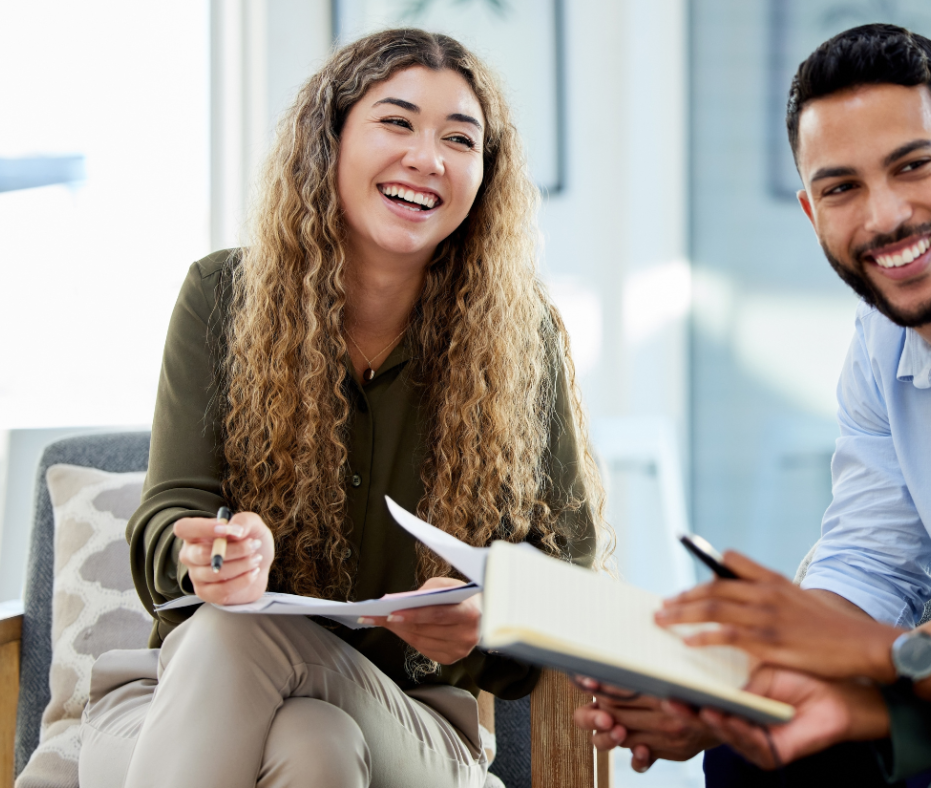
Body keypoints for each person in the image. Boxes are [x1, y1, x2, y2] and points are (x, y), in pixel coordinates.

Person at [80, 29, 606, 788]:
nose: (426, 158)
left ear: (485, 175)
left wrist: (481, 629)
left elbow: (572, 586)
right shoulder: (221, 299)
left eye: (459, 138)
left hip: (412, 722)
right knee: (312, 743)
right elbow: (172, 518)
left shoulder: (522, 340)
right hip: (179, 699)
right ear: (329, 141)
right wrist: (212, 556)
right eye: (396, 122)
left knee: (244, 648)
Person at [574, 23, 931, 786]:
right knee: (757, 746)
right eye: (841, 188)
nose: (885, 218)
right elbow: (868, 559)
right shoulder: (880, 344)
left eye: (912, 166)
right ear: (810, 210)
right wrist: (735, 685)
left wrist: (862, 660)